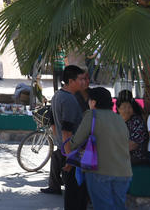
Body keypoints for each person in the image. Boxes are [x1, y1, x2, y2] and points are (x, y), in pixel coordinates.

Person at [67, 86, 131, 210]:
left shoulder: (92, 115)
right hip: (124, 172)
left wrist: (67, 140)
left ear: (93, 102)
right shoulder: (119, 118)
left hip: (100, 171)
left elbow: (75, 142)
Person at [48, 65, 90, 208]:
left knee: (73, 197)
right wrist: (70, 158)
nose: (83, 82)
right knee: (76, 198)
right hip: (73, 155)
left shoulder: (57, 96)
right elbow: (67, 131)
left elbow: (53, 125)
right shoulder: (69, 100)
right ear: (71, 81)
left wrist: (61, 148)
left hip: (65, 150)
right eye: (80, 79)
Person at [115, 90, 148, 165]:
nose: (127, 110)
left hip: (135, 156)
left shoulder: (137, 121)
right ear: (118, 109)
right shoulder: (115, 121)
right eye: (124, 107)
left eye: (129, 107)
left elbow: (132, 145)